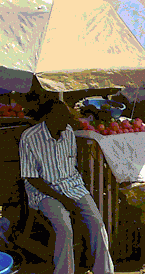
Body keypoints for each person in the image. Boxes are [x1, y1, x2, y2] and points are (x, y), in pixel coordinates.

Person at [19, 99, 114, 274]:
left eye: (67, 116)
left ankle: (104, 271)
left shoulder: (68, 132)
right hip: (43, 191)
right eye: (62, 116)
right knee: (64, 227)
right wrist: (63, 200)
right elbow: (31, 177)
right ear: (48, 117)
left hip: (72, 185)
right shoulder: (29, 137)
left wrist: (73, 196)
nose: (67, 120)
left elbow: (71, 166)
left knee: (97, 223)